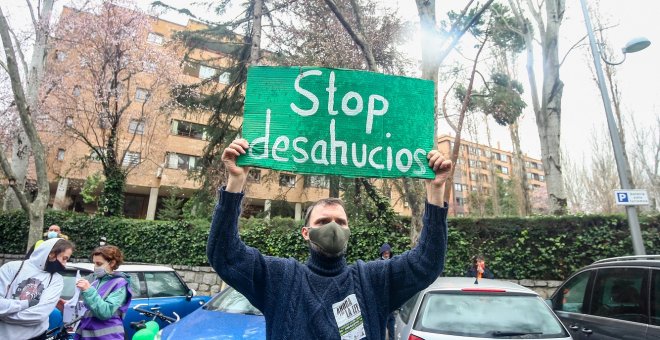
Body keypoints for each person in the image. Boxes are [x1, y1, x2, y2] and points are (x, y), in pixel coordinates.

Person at [207, 138, 452, 339]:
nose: (333, 227)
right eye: (323, 222)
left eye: (341, 222)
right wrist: (236, 181)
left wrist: (435, 191)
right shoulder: (280, 279)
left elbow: (426, 264)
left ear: (349, 232)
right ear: (305, 232)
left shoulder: (374, 281)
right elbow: (226, 256)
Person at [0, 238, 74, 340]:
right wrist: (26, 304)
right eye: (64, 258)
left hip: (35, 337)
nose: (65, 264)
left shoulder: (56, 279)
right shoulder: (11, 268)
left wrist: (4, 315)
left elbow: (39, 315)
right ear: (52, 254)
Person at [73, 245, 132, 340]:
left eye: (99, 264)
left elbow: (105, 312)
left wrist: (88, 290)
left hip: (108, 336)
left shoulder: (120, 283)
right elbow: (89, 310)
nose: (95, 267)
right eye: (94, 263)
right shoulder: (95, 282)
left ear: (112, 263)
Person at [378, 243, 395, 340]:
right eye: (384, 253)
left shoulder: (393, 262)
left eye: (388, 252)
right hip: (381, 297)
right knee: (382, 322)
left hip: (391, 296)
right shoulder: (377, 263)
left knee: (391, 321)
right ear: (382, 253)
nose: (386, 254)